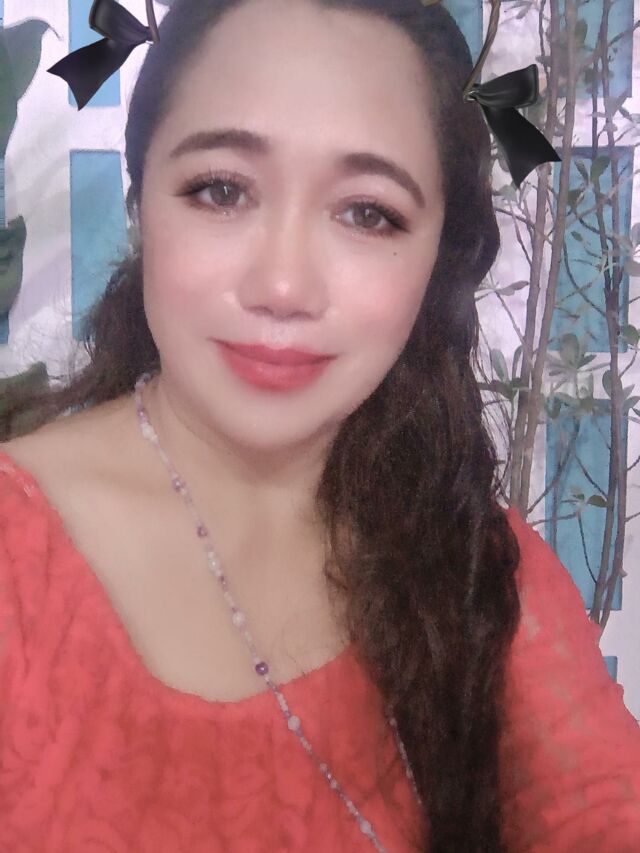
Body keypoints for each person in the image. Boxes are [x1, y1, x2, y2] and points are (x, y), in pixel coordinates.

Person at [1, 0, 639, 850]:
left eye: (368, 212)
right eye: (221, 190)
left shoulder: (479, 568)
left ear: (439, 255)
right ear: (141, 202)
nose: (283, 286)